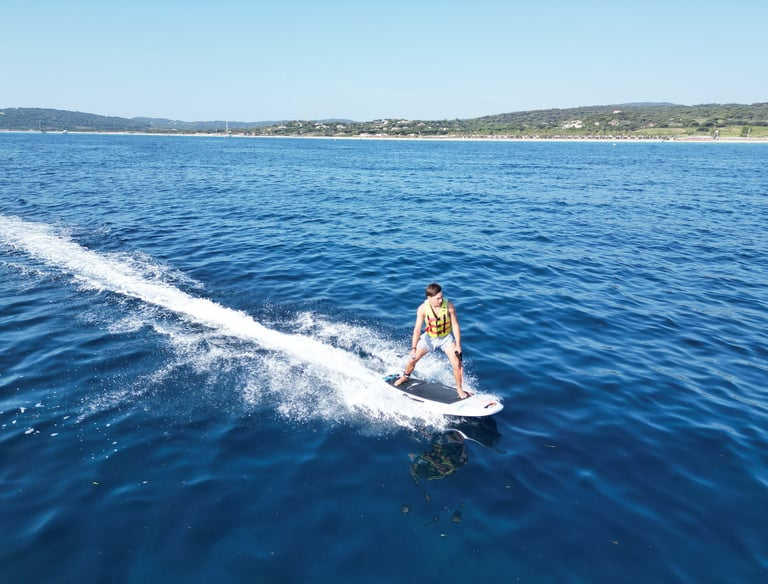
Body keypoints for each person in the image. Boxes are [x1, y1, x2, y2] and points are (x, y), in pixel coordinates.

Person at [394, 283, 468, 399]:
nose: (440, 300)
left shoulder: (449, 306)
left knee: (457, 363)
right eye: (438, 298)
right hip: (430, 338)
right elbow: (417, 329)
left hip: (446, 338)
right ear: (429, 298)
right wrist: (413, 348)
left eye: (441, 297)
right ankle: (405, 376)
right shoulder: (422, 309)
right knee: (412, 360)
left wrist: (458, 345)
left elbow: (455, 325)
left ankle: (459, 389)